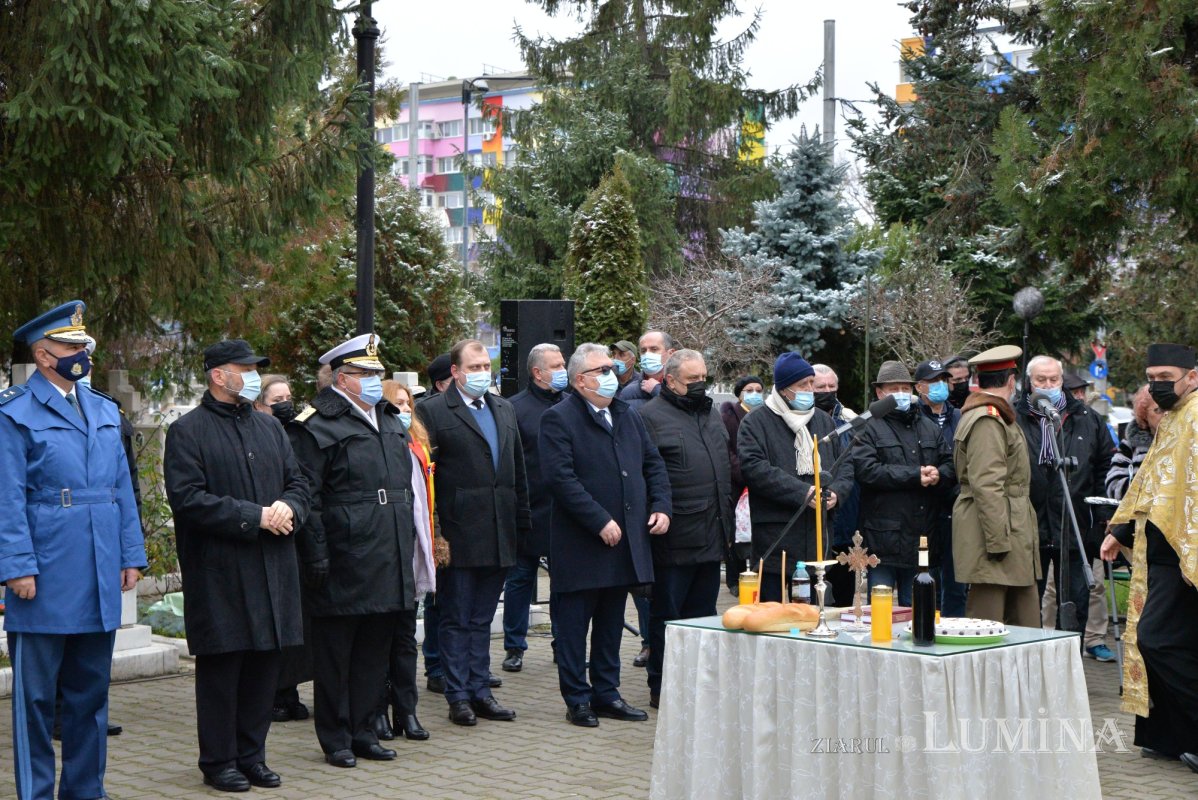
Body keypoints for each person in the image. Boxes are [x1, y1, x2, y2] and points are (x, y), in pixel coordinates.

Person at [1, 301, 145, 800]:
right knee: (36, 701)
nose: (81, 352)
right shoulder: (14, 412)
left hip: (99, 567)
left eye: (83, 344)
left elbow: (121, 487)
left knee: (90, 697)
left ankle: (86, 791)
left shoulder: (104, 409)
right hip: (44, 571)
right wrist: (16, 565)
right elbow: (6, 495)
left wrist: (131, 553)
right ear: (43, 355)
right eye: (70, 345)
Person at [164, 339, 310, 792]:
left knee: (264, 671)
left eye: (254, 368)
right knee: (223, 674)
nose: (251, 374)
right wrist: (256, 516)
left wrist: (289, 506)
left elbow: (299, 482)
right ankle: (219, 761)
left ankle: (252, 755)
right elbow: (188, 499)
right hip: (221, 573)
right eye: (242, 367)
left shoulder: (270, 430)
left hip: (272, 571)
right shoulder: (188, 431)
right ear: (217, 375)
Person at [290, 333, 434, 767]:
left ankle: (365, 728)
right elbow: (308, 498)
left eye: (377, 373)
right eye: (365, 374)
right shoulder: (316, 424)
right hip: (344, 552)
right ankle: (335, 736)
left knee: (376, 649)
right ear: (341, 378)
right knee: (337, 652)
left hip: (388, 551)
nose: (375, 380)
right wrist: (316, 554)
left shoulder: (390, 418)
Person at [540, 343, 671, 727]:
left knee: (612, 622)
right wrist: (598, 519)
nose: (610, 374)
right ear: (580, 380)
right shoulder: (559, 418)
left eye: (611, 368)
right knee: (574, 626)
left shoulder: (627, 414)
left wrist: (661, 505)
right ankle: (577, 699)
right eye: (601, 370)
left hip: (625, 540)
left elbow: (652, 464)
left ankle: (606, 693)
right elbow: (560, 479)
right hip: (582, 543)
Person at [416, 339, 530, 727]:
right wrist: (434, 535)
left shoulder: (504, 408)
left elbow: (517, 471)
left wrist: (522, 523)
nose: (483, 373)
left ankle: (481, 690)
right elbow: (424, 480)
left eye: (487, 366)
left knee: (482, 617)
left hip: (500, 530)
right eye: (475, 367)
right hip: (458, 533)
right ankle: (458, 695)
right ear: (456, 371)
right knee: (455, 616)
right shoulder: (431, 410)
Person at [1104, 343, 1198, 772]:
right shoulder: (1176, 419)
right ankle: (1168, 734)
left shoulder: (1195, 417)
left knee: (1158, 639)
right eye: (1151, 376)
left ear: (1191, 376)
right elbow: (1147, 482)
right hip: (1157, 551)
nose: (1157, 384)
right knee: (1162, 641)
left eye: (1166, 376)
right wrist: (1119, 531)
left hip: (1185, 552)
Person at [639, 350, 731, 709]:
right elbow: (648, 475)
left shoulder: (711, 415)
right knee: (668, 617)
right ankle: (662, 685)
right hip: (673, 537)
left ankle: (697, 683)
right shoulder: (649, 417)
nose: (700, 385)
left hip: (712, 533)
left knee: (703, 617)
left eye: (703, 377)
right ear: (671, 380)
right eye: (692, 380)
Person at [737, 352, 855, 602]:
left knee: (814, 614)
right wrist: (802, 493)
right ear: (783, 388)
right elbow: (755, 468)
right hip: (776, 536)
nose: (810, 390)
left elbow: (845, 465)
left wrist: (836, 493)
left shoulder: (823, 421)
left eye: (812, 384)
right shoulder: (756, 422)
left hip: (817, 537)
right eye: (803, 385)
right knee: (773, 617)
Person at [1016, 355, 1113, 639]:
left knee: (1074, 605)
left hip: (1074, 525)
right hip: (1029, 526)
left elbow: (1104, 468)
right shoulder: (1015, 417)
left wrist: (1103, 516)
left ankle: (1069, 667)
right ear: (1029, 382)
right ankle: (1030, 667)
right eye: (1040, 380)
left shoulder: (1086, 418)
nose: (1048, 385)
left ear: (1062, 380)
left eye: (1054, 380)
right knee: (1026, 606)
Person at [952, 345, 1041, 626]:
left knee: (1020, 622)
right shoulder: (988, 420)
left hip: (1007, 527)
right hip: (997, 533)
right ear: (1012, 381)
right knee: (988, 624)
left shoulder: (993, 416)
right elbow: (987, 484)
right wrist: (998, 541)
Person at [854, 361, 956, 608]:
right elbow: (867, 471)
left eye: (904, 388)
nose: (900, 394)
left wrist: (939, 474)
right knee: (881, 613)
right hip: (884, 539)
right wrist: (913, 475)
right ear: (880, 393)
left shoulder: (928, 426)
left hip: (923, 536)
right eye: (893, 389)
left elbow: (950, 464)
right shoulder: (867, 426)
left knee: (919, 614)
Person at [376, 379, 439, 741]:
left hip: (413, 549)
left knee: (404, 640)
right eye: (396, 404)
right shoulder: (381, 445)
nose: (403, 411)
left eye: (407, 404)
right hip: (385, 553)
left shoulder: (418, 444)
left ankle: (407, 711)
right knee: (380, 641)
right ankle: (378, 712)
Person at [250, 374, 312, 725]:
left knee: (294, 626)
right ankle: (274, 693)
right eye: (277, 400)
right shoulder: (257, 435)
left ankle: (289, 689)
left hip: (297, 535)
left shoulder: (298, 433)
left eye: (289, 396)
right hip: (267, 535)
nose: (286, 403)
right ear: (259, 405)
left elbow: (302, 483)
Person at [502, 343, 567, 672]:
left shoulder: (571, 405)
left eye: (563, 363)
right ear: (537, 372)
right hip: (528, 507)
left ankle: (563, 641)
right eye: (556, 365)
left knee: (565, 581)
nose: (562, 369)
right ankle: (514, 645)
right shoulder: (514, 408)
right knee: (520, 579)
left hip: (564, 509)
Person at [618, 331, 675, 665]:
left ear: (671, 353)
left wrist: (664, 393)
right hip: (643, 498)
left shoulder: (684, 388)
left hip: (677, 497)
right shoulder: (629, 393)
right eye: (644, 350)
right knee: (643, 580)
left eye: (655, 349)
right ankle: (648, 641)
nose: (648, 354)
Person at [914, 358, 967, 616]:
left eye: (942, 381)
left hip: (954, 505)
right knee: (926, 577)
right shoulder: (913, 418)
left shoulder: (959, 416)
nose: (939, 386)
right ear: (919, 387)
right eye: (932, 382)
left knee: (956, 581)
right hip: (921, 506)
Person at [418, 352, 453, 695]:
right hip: (434, 515)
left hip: (455, 516)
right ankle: (435, 665)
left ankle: (455, 664)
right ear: (443, 382)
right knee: (437, 598)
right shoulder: (429, 412)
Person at [812, 363, 860, 605]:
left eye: (832, 386)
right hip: (812, 520)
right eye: (821, 387)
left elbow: (853, 464)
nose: (827, 391)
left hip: (846, 519)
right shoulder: (801, 419)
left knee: (844, 599)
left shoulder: (851, 420)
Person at [720, 375, 763, 593]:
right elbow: (727, 451)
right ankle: (735, 579)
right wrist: (746, 473)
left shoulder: (764, 416)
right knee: (737, 533)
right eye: (749, 390)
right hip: (737, 484)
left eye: (758, 389)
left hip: (759, 484)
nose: (755, 393)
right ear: (740, 393)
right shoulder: (729, 416)